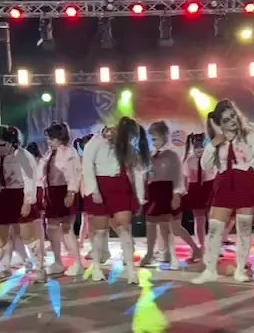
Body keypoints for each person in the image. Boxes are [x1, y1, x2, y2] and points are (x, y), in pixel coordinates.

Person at [193, 99, 254, 284]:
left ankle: (240, 270)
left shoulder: (250, 134)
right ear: (220, 123)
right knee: (214, 228)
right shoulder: (218, 140)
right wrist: (212, 145)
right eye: (226, 120)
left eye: (233, 116)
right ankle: (210, 270)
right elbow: (206, 165)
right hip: (224, 183)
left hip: (246, 181)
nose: (232, 121)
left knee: (244, 229)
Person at [82, 117, 149, 284]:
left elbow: (137, 172)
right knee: (100, 230)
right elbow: (87, 165)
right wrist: (94, 190)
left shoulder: (128, 148)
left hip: (120, 186)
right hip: (100, 185)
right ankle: (96, 266)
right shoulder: (97, 141)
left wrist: (140, 198)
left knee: (124, 227)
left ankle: (131, 270)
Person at [0, 126, 46, 283]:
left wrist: (27, 202)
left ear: (11, 142)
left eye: (2, 145)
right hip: (0, 197)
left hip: (19, 196)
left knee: (28, 236)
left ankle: (40, 269)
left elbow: (30, 179)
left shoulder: (23, 155)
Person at [141, 121, 199, 268]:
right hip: (154, 192)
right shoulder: (150, 154)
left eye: (156, 138)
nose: (154, 142)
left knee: (174, 227)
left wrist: (176, 194)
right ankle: (152, 253)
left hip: (168, 192)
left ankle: (194, 249)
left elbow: (178, 176)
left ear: (165, 136)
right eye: (152, 139)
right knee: (152, 223)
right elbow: (146, 173)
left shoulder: (172, 154)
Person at [43, 121, 83, 277]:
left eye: (52, 139)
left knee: (67, 228)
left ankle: (78, 263)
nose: (49, 142)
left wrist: (71, 193)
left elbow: (74, 174)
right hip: (51, 192)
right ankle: (57, 262)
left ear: (60, 138)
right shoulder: (49, 154)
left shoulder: (69, 152)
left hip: (65, 191)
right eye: (48, 138)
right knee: (51, 227)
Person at [182, 132, 215, 256]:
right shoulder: (188, 159)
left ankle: (214, 244)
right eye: (197, 146)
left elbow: (215, 173)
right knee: (199, 218)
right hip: (195, 188)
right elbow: (185, 177)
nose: (199, 149)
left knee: (213, 218)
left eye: (202, 146)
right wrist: (185, 191)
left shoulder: (210, 157)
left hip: (209, 186)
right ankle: (201, 245)